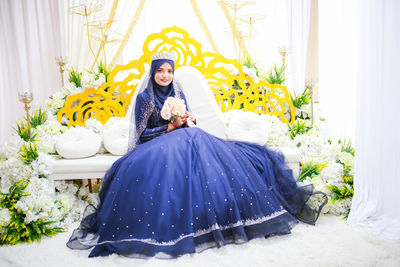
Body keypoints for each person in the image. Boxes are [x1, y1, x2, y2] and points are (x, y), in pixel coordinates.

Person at [67, 52, 327, 258]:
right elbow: (142, 134)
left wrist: (188, 118)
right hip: (156, 146)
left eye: (169, 70)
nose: (166, 75)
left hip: (186, 137)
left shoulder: (178, 92)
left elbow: (188, 119)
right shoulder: (145, 98)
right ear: (153, 72)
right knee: (187, 140)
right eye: (161, 70)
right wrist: (169, 126)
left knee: (198, 137)